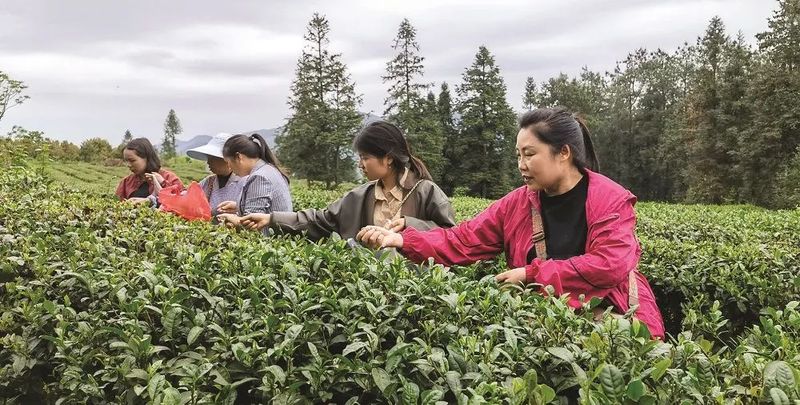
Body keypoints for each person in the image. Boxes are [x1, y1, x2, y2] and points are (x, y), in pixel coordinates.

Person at [356, 108, 665, 338]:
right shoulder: (518, 203)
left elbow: (609, 264)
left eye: (530, 154)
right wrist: (404, 240)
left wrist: (531, 274)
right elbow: (464, 239)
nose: (521, 164)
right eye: (518, 155)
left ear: (564, 153)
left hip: (612, 319)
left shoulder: (610, 199)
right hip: (549, 325)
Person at [239, 121, 456, 240]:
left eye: (365, 158)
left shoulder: (425, 192)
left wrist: (410, 225)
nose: (360, 164)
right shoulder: (360, 196)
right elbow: (320, 220)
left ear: (388, 158)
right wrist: (271, 219)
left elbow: (451, 236)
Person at [215, 133, 292, 227]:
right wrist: (238, 206)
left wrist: (230, 219)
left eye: (228, 162)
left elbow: (252, 224)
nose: (229, 167)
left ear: (239, 157)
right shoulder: (268, 169)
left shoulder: (259, 177)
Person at [186, 133, 245, 217]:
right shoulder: (209, 182)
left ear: (226, 160)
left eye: (212, 158)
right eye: (208, 158)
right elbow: (189, 198)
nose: (208, 162)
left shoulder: (244, 182)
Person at [115, 137, 182, 202]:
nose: (128, 165)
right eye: (126, 161)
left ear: (147, 158)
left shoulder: (169, 178)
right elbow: (116, 205)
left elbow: (181, 201)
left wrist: (163, 183)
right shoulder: (126, 183)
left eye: (132, 160)